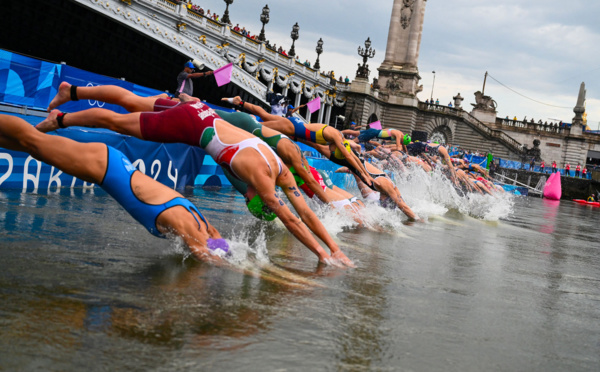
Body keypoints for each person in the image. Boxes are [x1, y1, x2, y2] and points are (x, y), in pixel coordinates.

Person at [38, 83, 354, 267]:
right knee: (117, 123)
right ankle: (61, 119)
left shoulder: (280, 170)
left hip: (203, 112)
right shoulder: (262, 182)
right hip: (191, 124)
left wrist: (335, 248)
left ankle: (74, 91)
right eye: (252, 200)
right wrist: (323, 257)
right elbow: (294, 220)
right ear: (257, 195)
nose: (246, 197)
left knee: (131, 103)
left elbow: (304, 214)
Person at [0, 114, 227, 263]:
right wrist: (241, 272)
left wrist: (233, 257)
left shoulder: (205, 226)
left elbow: (218, 242)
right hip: (103, 166)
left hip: (109, 165)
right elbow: (204, 257)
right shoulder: (188, 226)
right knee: (33, 140)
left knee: (35, 149)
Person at [223, 96, 374, 187]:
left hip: (296, 127)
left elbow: (353, 157)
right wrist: (363, 174)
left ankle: (240, 103)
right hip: (293, 127)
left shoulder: (338, 138)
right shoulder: (335, 137)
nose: (331, 151)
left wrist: (364, 173)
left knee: (265, 115)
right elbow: (348, 157)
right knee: (256, 125)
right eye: (334, 152)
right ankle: (235, 118)